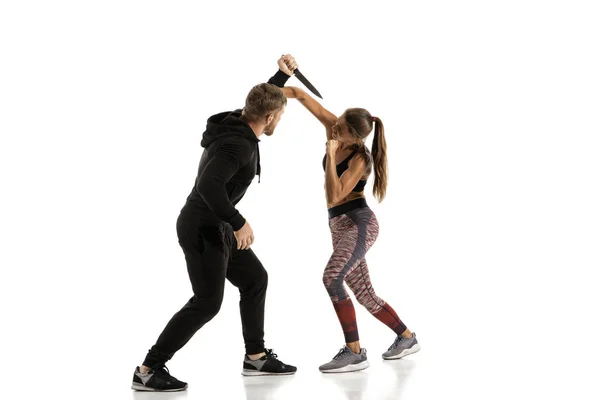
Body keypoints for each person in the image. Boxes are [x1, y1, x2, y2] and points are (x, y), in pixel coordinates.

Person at [131, 55, 299, 392]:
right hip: (203, 227)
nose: (281, 118)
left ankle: (256, 357)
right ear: (268, 117)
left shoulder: (240, 121)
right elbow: (209, 185)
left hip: (216, 223)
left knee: (255, 279)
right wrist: (238, 221)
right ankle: (148, 369)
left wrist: (279, 77)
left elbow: (261, 100)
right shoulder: (237, 144)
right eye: (280, 114)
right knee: (207, 302)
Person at [282, 85, 421, 373]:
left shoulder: (360, 159)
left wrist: (331, 156)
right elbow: (305, 98)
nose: (335, 130)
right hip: (338, 226)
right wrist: (278, 89)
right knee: (364, 294)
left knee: (332, 277)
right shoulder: (336, 130)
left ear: (356, 139)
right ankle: (406, 337)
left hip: (360, 224)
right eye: (339, 121)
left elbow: (333, 196)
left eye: (342, 128)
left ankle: (354, 352)